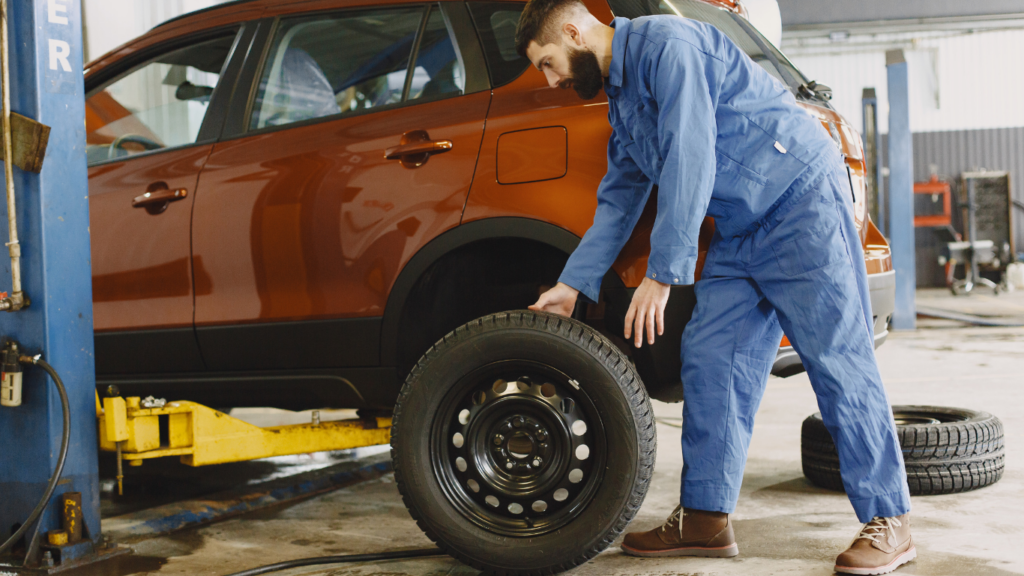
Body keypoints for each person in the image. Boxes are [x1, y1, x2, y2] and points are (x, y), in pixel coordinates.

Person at [516, 0, 915, 573]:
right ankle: (705, 519)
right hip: (739, 227)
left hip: (799, 204)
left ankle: (890, 520)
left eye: (550, 63)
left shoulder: (667, 46)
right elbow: (621, 194)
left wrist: (664, 273)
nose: (552, 80)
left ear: (575, 32)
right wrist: (572, 284)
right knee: (711, 358)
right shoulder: (622, 95)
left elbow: (691, 153)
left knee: (836, 358)